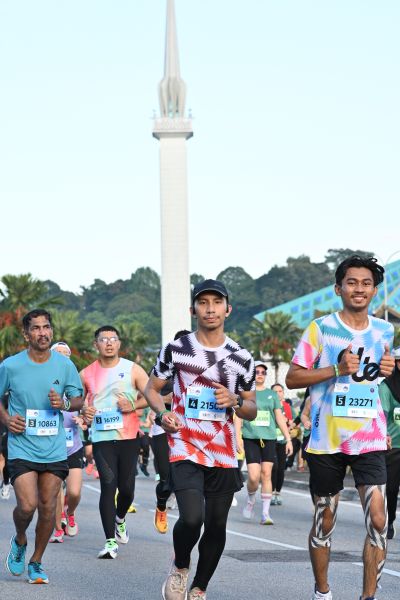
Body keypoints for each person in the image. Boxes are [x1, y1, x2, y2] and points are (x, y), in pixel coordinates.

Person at [286, 255, 395, 600]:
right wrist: (335, 369)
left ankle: (368, 597)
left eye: (366, 283)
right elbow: (292, 378)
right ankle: (322, 591)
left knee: (379, 520)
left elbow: (377, 377)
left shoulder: (385, 330)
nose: (359, 289)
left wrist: (389, 369)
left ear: (374, 290)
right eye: (352, 282)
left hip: (369, 437)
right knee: (325, 520)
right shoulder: (320, 329)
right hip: (326, 440)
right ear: (338, 288)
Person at [144, 279, 256, 600]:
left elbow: (251, 408)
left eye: (216, 302)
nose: (210, 309)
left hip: (223, 451)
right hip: (185, 445)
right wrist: (162, 415)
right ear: (193, 310)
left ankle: (199, 587)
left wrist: (235, 400)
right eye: (203, 302)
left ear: (227, 309)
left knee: (216, 525)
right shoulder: (176, 349)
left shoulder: (241, 357)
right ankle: (180, 566)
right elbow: (152, 389)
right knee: (192, 518)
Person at [0, 309, 83, 584]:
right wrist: (7, 419)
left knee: (48, 508)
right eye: (35, 328)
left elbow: (78, 399)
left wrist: (65, 403)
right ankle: (20, 539)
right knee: (27, 506)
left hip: (53, 447)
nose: (42, 332)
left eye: (46, 327)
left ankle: (36, 561)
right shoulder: (11, 366)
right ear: (26, 334)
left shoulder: (64, 365)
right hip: (22, 445)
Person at [80, 325, 149, 559]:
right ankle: (110, 542)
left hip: (128, 438)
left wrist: (133, 405)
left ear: (119, 343)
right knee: (108, 485)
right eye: (103, 339)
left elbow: (152, 396)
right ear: (96, 344)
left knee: (127, 490)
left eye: (113, 339)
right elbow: (78, 402)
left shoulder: (133, 369)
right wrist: (84, 411)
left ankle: (120, 518)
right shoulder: (86, 373)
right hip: (102, 438)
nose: (109, 343)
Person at [239, 361, 292, 524]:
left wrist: (288, 439)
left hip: (269, 438)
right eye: (257, 372)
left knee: (267, 474)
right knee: (253, 477)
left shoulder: (272, 395)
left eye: (263, 372)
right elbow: (238, 415)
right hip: (251, 438)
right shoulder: (245, 393)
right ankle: (251, 499)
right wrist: (237, 438)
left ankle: (265, 513)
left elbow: (279, 418)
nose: (260, 374)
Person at [49, 342, 85, 543]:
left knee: (74, 492)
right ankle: (57, 529)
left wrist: (84, 418)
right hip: (51, 446)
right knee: (55, 491)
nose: (63, 356)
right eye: (59, 353)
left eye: (66, 353)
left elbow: (87, 407)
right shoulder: (45, 381)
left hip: (73, 447)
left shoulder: (76, 381)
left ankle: (69, 512)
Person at [379, 347, 400, 540]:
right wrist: (383, 434)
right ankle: (389, 520)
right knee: (391, 488)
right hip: (394, 447)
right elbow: (382, 415)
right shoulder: (387, 387)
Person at [271, 382, 293, 504]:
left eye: (280, 391)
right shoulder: (268, 405)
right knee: (273, 467)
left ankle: (278, 493)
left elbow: (292, 423)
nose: (278, 394)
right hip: (270, 440)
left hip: (283, 441)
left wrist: (287, 421)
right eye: (275, 391)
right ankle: (270, 492)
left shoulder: (286, 406)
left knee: (280, 468)